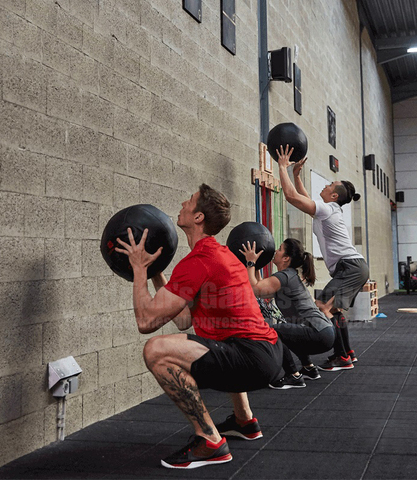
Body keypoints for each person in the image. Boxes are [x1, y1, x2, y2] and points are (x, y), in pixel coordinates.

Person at [115, 184, 282, 469]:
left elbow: (146, 321)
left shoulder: (200, 261)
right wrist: (156, 274)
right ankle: (245, 421)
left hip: (253, 356)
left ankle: (210, 441)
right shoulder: (216, 256)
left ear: (198, 218)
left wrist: (139, 269)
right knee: (220, 341)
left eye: (189, 201)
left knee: (156, 350)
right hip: (265, 352)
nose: (182, 203)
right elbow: (182, 319)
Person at [277, 145, 369, 371]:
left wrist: (281, 167)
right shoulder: (327, 210)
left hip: (351, 267)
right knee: (334, 309)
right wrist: (296, 175)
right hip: (353, 267)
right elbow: (303, 198)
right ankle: (347, 353)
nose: (326, 186)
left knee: (322, 307)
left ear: (334, 195)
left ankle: (341, 357)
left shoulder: (328, 210)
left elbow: (291, 197)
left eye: (329, 185)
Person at [240, 238, 335, 389]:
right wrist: (256, 266)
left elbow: (254, 289)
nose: (275, 251)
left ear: (286, 258)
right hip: (325, 332)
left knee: (272, 331)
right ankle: (309, 368)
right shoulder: (287, 275)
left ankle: (293, 375)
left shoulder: (284, 276)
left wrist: (250, 263)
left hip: (319, 333)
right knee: (292, 329)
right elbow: (262, 292)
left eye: (279, 249)